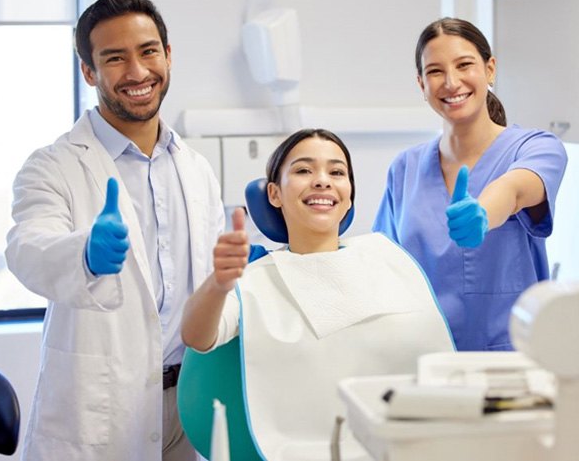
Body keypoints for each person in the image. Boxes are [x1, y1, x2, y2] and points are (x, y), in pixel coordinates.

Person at [5, 0, 223, 461]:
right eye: (115, 58)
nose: (138, 73)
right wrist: (83, 254)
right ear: (90, 72)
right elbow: (27, 248)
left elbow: (207, 285)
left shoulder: (196, 168)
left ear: (168, 55)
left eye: (148, 52)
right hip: (101, 412)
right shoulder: (53, 166)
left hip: (190, 403)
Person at [181, 128, 454, 460]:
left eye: (337, 172)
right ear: (274, 193)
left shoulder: (390, 260)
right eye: (303, 170)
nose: (322, 181)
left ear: (349, 194)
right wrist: (219, 284)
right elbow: (198, 337)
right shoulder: (253, 282)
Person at [372, 17, 568, 352]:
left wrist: (484, 211)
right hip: (423, 358)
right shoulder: (405, 168)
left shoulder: (536, 147)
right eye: (435, 71)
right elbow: (381, 265)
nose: (451, 82)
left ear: (490, 69)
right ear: (421, 84)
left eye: (464, 65)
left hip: (511, 362)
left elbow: (515, 188)